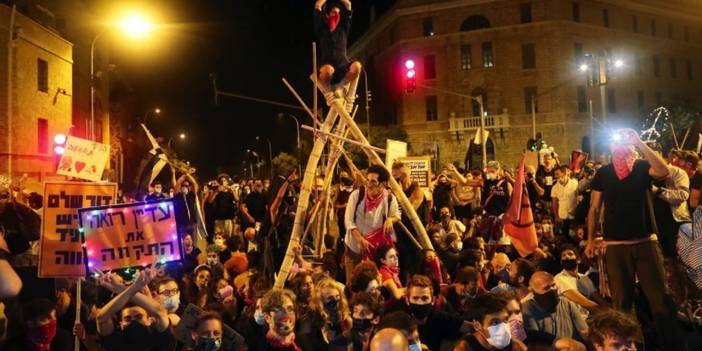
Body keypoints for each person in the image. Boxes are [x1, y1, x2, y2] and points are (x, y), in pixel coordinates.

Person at [586, 128, 682, 349]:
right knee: (623, 304)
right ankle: (632, 346)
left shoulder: (641, 166)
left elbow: (664, 170)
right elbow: (593, 208)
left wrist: (639, 142)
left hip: (646, 242)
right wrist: (591, 239)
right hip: (616, 246)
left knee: (661, 301)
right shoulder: (604, 173)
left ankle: (673, 346)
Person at [344, 164, 401, 283]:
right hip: (354, 248)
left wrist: (390, 219)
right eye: (368, 180)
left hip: (375, 251)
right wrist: (359, 239)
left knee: (373, 284)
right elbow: (348, 221)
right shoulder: (356, 195)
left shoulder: (390, 199)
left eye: (373, 182)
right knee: (353, 284)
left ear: (383, 184)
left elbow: (396, 215)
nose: (369, 185)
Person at [95, 268, 176, 351]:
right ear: (121, 324)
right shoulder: (116, 343)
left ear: (150, 320)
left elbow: (160, 312)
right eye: (128, 319)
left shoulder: (159, 338)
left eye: (139, 317)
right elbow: (101, 319)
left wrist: (120, 289)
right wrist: (133, 288)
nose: (134, 321)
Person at [399, 274, 471, 351]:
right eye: (415, 298)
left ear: (433, 300)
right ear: (407, 300)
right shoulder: (399, 321)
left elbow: (470, 328)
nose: (420, 302)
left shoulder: (440, 318)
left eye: (425, 298)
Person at [313, 0, 362, 104]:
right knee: (328, 70)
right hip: (327, 67)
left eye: (339, 13)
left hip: (342, 65)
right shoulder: (321, 29)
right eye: (334, 12)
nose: (337, 15)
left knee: (357, 66)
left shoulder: (343, 28)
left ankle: (340, 87)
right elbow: (318, 5)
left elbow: (348, 5)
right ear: (327, 14)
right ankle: (329, 89)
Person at [522, 271, 588, 342]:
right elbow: (537, 342)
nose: (552, 289)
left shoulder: (566, 304)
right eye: (546, 288)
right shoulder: (527, 310)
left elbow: (584, 332)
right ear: (534, 292)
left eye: (553, 285)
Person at [453, 293, 527, 351]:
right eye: (495, 323)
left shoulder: (515, 346)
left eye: (505, 319)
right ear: (477, 326)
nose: (503, 328)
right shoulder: (464, 349)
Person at [553, 244, 598, 315]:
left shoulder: (584, 277)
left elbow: (597, 297)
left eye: (570, 254)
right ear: (561, 262)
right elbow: (584, 302)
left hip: (587, 316)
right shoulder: (560, 279)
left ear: (578, 260)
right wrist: (608, 311)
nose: (567, 257)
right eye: (563, 256)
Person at [551, 165, 578, 237]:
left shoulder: (575, 183)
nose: (556, 176)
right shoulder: (555, 187)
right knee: (564, 236)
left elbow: (579, 198)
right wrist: (556, 216)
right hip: (562, 216)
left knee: (575, 236)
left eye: (557, 174)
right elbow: (554, 203)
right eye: (555, 175)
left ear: (564, 173)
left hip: (574, 216)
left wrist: (575, 209)